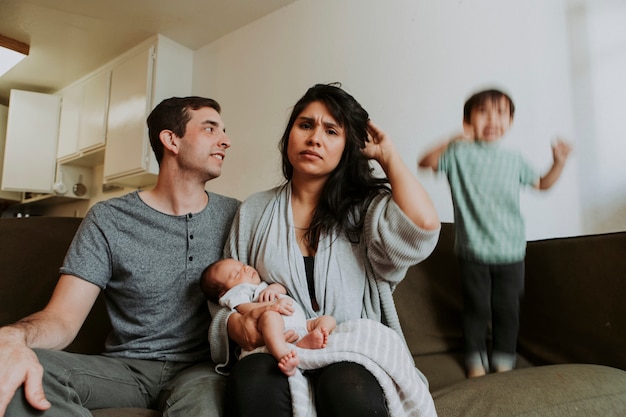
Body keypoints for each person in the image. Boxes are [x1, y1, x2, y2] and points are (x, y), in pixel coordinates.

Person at [208, 83, 441, 417]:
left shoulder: (365, 210)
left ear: (347, 146)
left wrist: (389, 156)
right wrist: (235, 325)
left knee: (346, 382)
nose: (314, 138)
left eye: (331, 131)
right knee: (252, 379)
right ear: (289, 136)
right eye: (305, 125)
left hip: (348, 349)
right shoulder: (254, 211)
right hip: (279, 349)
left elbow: (422, 228)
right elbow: (224, 297)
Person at [0, 96, 241, 417]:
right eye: (210, 129)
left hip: (202, 371)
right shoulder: (109, 217)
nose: (225, 140)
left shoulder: (237, 215)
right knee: (20, 371)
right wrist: (14, 336)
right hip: (125, 370)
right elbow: (63, 318)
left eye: (223, 131)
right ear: (171, 139)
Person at [418, 88, 572, 378]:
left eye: (501, 113)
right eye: (483, 112)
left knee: (507, 310)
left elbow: (542, 184)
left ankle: (504, 362)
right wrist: (454, 137)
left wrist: (558, 163)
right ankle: (475, 363)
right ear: (468, 120)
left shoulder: (514, 159)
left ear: (510, 122)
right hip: (473, 250)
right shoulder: (458, 154)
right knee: (476, 309)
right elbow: (425, 162)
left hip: (511, 250)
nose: (492, 119)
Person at [201, 258, 336, 376]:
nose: (246, 269)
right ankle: (284, 354)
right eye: (237, 273)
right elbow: (244, 308)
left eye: (243, 265)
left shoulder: (261, 285)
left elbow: (282, 288)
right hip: (275, 326)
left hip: (301, 324)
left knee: (327, 320)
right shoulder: (236, 293)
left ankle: (306, 341)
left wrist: (274, 289)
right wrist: (271, 306)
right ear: (223, 293)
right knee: (270, 317)